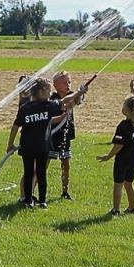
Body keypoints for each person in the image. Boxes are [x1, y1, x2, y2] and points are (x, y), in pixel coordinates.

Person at [6, 75, 85, 209]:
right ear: (42, 92)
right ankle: (40, 201)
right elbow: (65, 100)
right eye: (48, 91)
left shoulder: (26, 108)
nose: (50, 94)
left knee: (30, 172)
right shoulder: (48, 106)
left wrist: (10, 144)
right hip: (41, 147)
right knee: (40, 174)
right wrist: (79, 92)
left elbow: (15, 127)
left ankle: (30, 201)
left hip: (28, 147)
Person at [98, 92, 134, 215]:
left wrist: (108, 156)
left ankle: (115, 210)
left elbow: (118, 146)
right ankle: (131, 208)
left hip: (122, 160)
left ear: (127, 110)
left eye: (124, 105)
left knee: (118, 185)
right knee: (129, 184)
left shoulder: (123, 126)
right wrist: (132, 89)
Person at [48, 71, 86, 201]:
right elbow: (66, 104)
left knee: (65, 164)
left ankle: (65, 190)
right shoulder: (52, 98)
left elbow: (78, 101)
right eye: (64, 82)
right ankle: (34, 191)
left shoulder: (72, 95)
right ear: (56, 85)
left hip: (66, 134)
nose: (68, 85)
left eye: (69, 82)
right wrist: (78, 94)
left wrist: (81, 93)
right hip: (53, 136)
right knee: (45, 163)